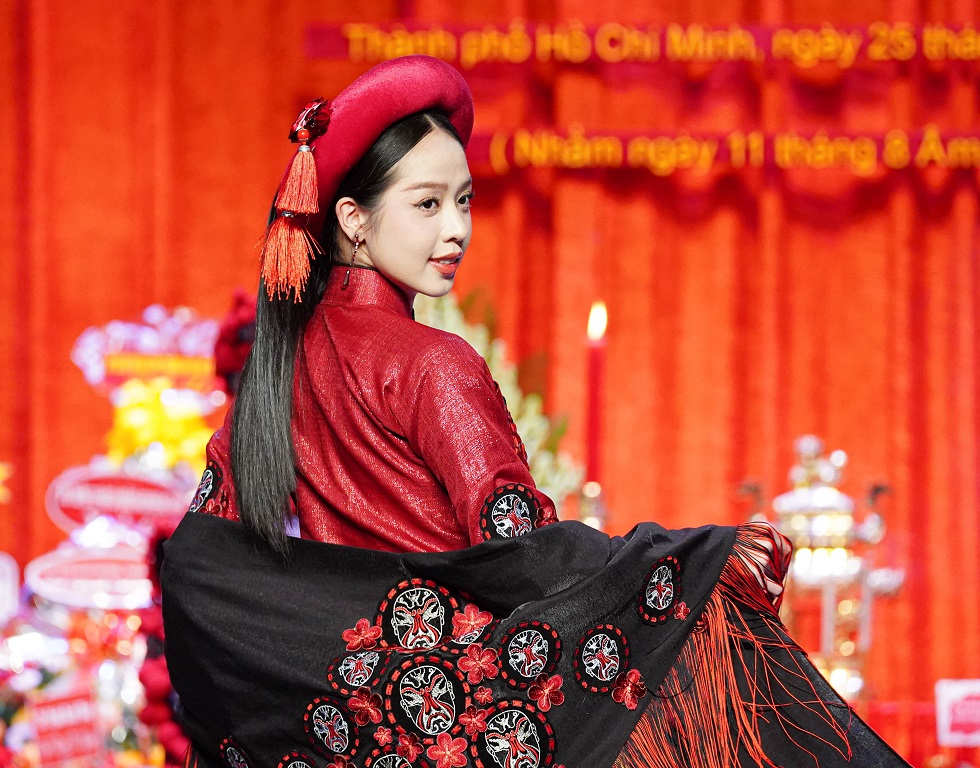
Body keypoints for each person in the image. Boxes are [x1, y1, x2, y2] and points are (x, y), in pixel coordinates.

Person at [161, 56, 909, 768]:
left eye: (464, 201)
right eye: (426, 204)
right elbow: (519, 546)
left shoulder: (272, 374)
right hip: (456, 724)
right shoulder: (430, 363)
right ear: (353, 219)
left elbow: (202, 561)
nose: (456, 229)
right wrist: (688, 564)